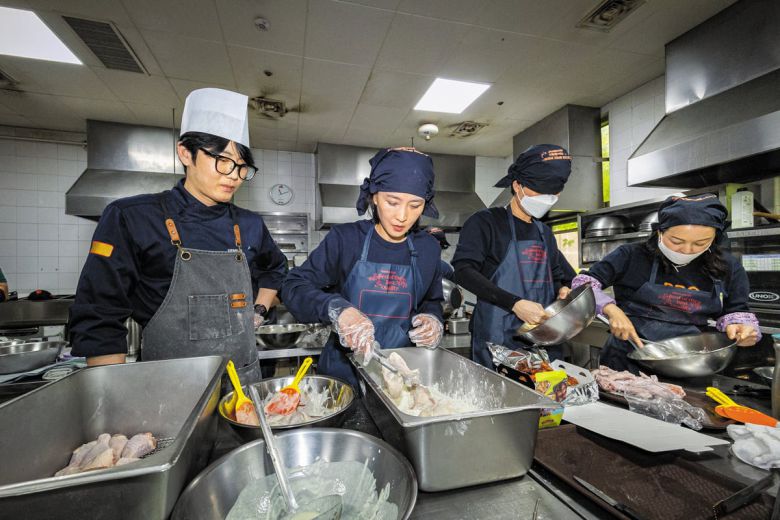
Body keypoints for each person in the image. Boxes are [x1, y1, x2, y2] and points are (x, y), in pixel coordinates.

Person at [69, 88, 288, 380]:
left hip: (243, 387)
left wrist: (258, 310)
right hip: (167, 388)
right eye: (223, 160)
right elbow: (100, 315)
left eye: (242, 167)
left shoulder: (249, 225)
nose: (234, 176)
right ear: (185, 152)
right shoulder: (132, 217)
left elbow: (276, 268)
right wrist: (110, 397)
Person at [282, 147, 444, 386]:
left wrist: (432, 319)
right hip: (344, 372)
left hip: (401, 371)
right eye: (392, 202)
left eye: (415, 205)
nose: (402, 216)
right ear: (375, 195)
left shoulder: (429, 248)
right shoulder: (345, 239)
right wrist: (337, 309)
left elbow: (432, 300)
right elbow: (293, 286)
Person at [572, 193, 760, 373]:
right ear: (660, 232)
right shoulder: (631, 255)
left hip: (690, 364)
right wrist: (611, 310)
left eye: (701, 243)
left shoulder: (728, 266)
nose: (687, 250)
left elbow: (736, 310)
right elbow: (583, 284)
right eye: (676, 241)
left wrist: (741, 330)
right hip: (626, 360)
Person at [452, 144, 574, 368]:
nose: (546, 198)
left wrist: (565, 288)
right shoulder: (486, 222)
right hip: (498, 341)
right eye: (539, 191)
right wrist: (515, 303)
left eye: (553, 193)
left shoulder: (545, 232)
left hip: (543, 341)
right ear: (518, 185)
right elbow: (463, 271)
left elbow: (563, 276)